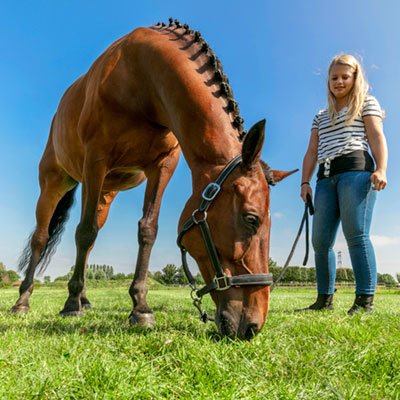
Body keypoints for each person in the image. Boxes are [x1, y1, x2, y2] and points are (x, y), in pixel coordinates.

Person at [300, 54, 388, 315]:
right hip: (325, 179)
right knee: (320, 241)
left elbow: (376, 136)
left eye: (344, 77)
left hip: (356, 173)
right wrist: (305, 182)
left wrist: (381, 169)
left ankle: (364, 302)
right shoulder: (320, 116)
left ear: (355, 78)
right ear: (328, 80)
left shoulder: (366, 104)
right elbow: (311, 152)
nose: (338, 82)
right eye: (334, 77)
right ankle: (323, 300)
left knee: (356, 235)